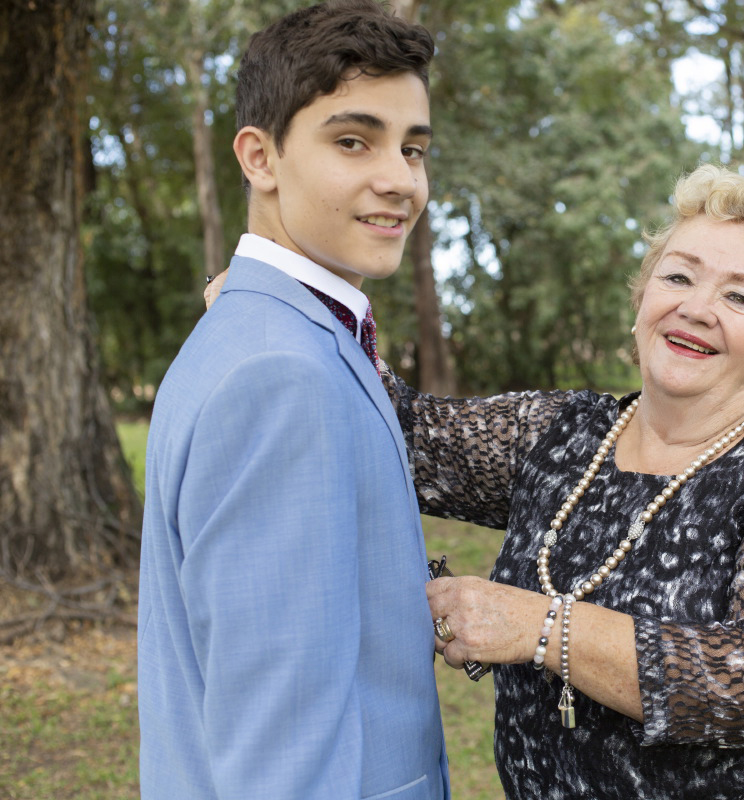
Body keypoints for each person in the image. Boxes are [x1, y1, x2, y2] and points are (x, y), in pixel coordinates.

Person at [401, 164, 744, 798]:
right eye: (678, 276)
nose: (696, 307)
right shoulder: (562, 433)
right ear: (641, 302)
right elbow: (405, 434)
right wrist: (280, 292)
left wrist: (544, 627)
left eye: (739, 296)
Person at [137, 2, 449, 798]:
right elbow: (282, 757)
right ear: (260, 157)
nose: (399, 179)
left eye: (413, 148)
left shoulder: (267, 334)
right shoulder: (280, 376)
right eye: (354, 140)